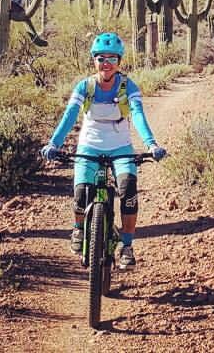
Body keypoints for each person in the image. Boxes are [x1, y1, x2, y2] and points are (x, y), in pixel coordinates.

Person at [41, 32, 166, 268]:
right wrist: (54, 144)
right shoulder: (85, 86)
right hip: (89, 144)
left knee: (128, 190)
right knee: (80, 192)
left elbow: (138, 115)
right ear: (94, 60)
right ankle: (79, 229)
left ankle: (127, 245)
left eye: (111, 58)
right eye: (100, 58)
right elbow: (70, 115)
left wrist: (151, 144)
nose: (106, 63)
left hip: (120, 147)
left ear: (119, 61)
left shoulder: (128, 86)